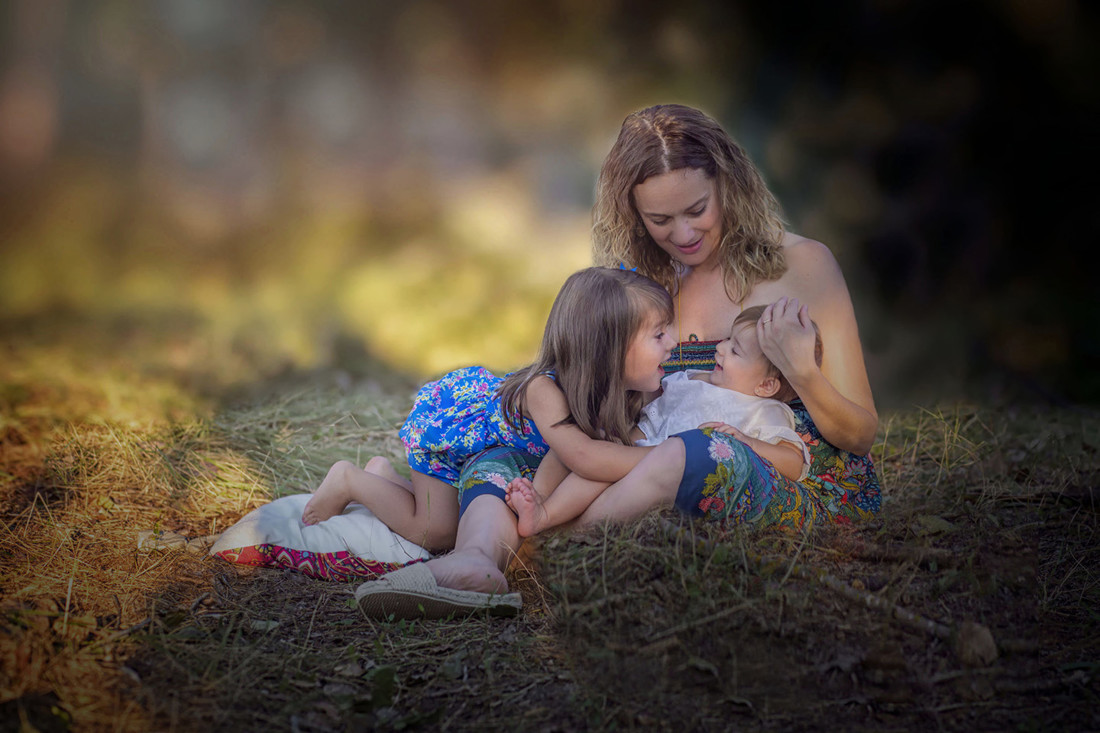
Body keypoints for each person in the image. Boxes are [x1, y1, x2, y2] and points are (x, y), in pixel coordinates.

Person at [356, 103, 881, 618]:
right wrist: (547, 397)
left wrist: (802, 371)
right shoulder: (644, 282)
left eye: (697, 209)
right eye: (659, 219)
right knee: (511, 460)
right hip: (643, 452)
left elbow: (859, 433)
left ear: (729, 185)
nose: (683, 234)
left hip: (774, 465)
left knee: (695, 453)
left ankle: (531, 552)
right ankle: (475, 564)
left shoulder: (804, 265)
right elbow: (603, 387)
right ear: (633, 213)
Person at [301, 266, 674, 554]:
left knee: (443, 519)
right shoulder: (544, 390)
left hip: (487, 452)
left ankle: (383, 476)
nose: (672, 342)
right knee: (435, 532)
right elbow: (584, 456)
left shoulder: (615, 393)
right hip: (449, 439)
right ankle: (349, 480)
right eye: (659, 335)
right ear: (609, 352)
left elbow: (563, 460)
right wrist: (668, 456)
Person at [505, 304, 820, 537]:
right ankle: (544, 506)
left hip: (666, 471)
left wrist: (747, 441)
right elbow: (651, 411)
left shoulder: (761, 410)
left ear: (766, 386)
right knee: (593, 453)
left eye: (734, 350)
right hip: (637, 449)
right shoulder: (692, 379)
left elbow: (793, 461)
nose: (720, 349)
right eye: (726, 340)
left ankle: (550, 522)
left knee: (598, 470)